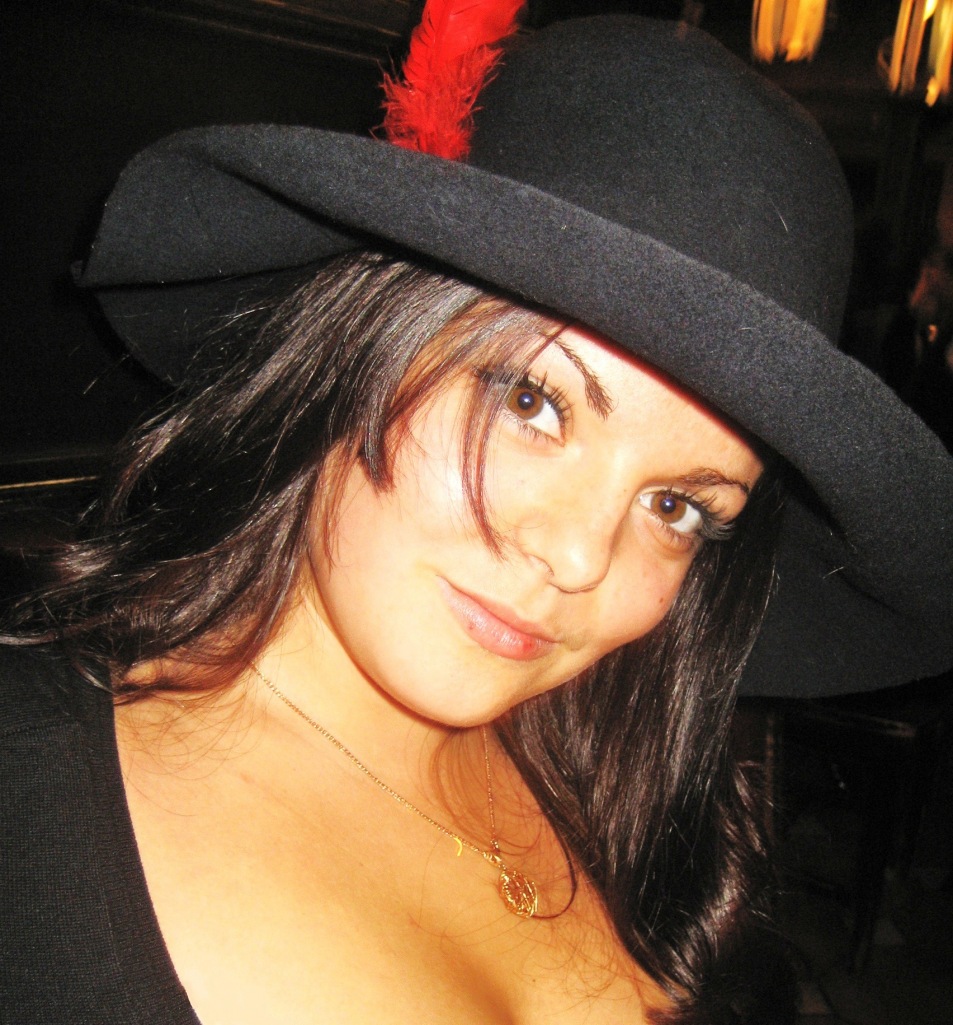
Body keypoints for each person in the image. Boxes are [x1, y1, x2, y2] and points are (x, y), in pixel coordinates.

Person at [3, 8, 953, 1024]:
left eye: (676, 504)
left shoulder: (616, 792)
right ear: (356, 342)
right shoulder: (29, 798)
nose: (577, 556)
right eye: (531, 401)